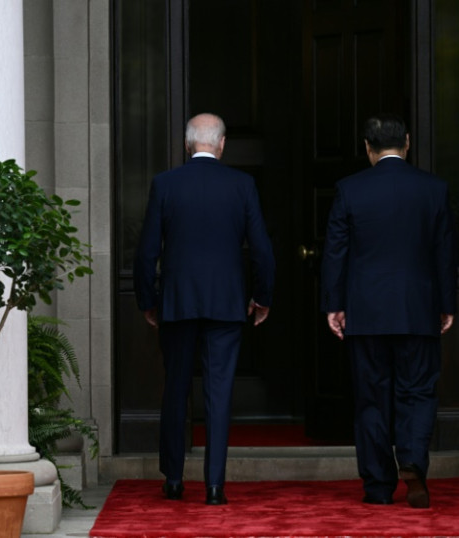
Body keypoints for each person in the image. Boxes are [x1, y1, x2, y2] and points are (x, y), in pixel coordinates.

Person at [133, 113, 275, 505]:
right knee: (219, 392)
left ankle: (174, 480)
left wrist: (148, 300)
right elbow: (262, 249)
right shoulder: (242, 184)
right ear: (222, 144)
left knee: (176, 388)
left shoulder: (165, 184)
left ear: (187, 144)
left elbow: (147, 251)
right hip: (227, 304)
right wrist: (262, 297)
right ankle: (215, 486)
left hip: (177, 303)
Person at [320, 113, 456, 508]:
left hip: (366, 312)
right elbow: (444, 253)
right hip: (418, 309)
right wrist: (446, 305)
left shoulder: (349, 189)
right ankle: (412, 460)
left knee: (371, 398)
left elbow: (335, 253)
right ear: (407, 143)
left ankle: (378, 486)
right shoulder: (434, 189)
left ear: (368, 148)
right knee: (418, 391)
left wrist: (335, 304)